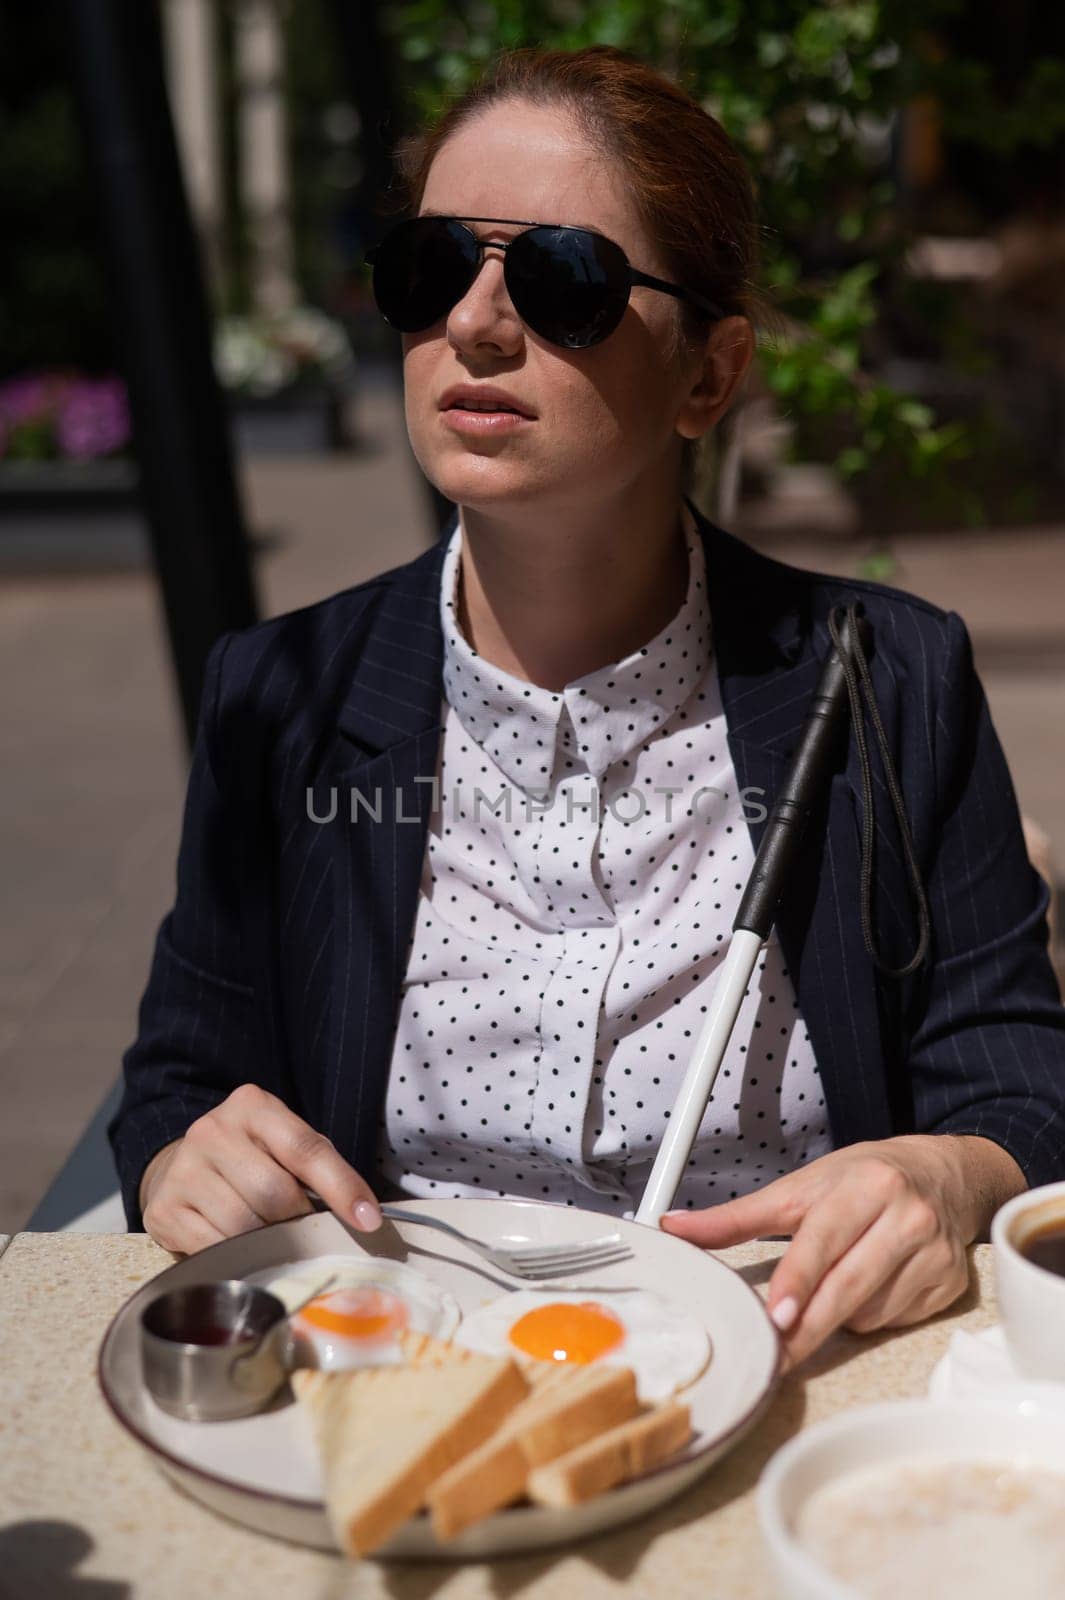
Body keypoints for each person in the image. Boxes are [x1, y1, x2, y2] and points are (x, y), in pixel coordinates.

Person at [110, 44, 1065, 1369]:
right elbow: (177, 1078)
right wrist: (182, 1156)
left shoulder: (887, 676)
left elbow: (1020, 1078)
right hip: (397, 1386)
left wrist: (944, 1176)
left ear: (708, 376)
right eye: (429, 267)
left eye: (563, 281)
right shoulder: (282, 695)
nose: (476, 325)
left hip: (786, 1381)